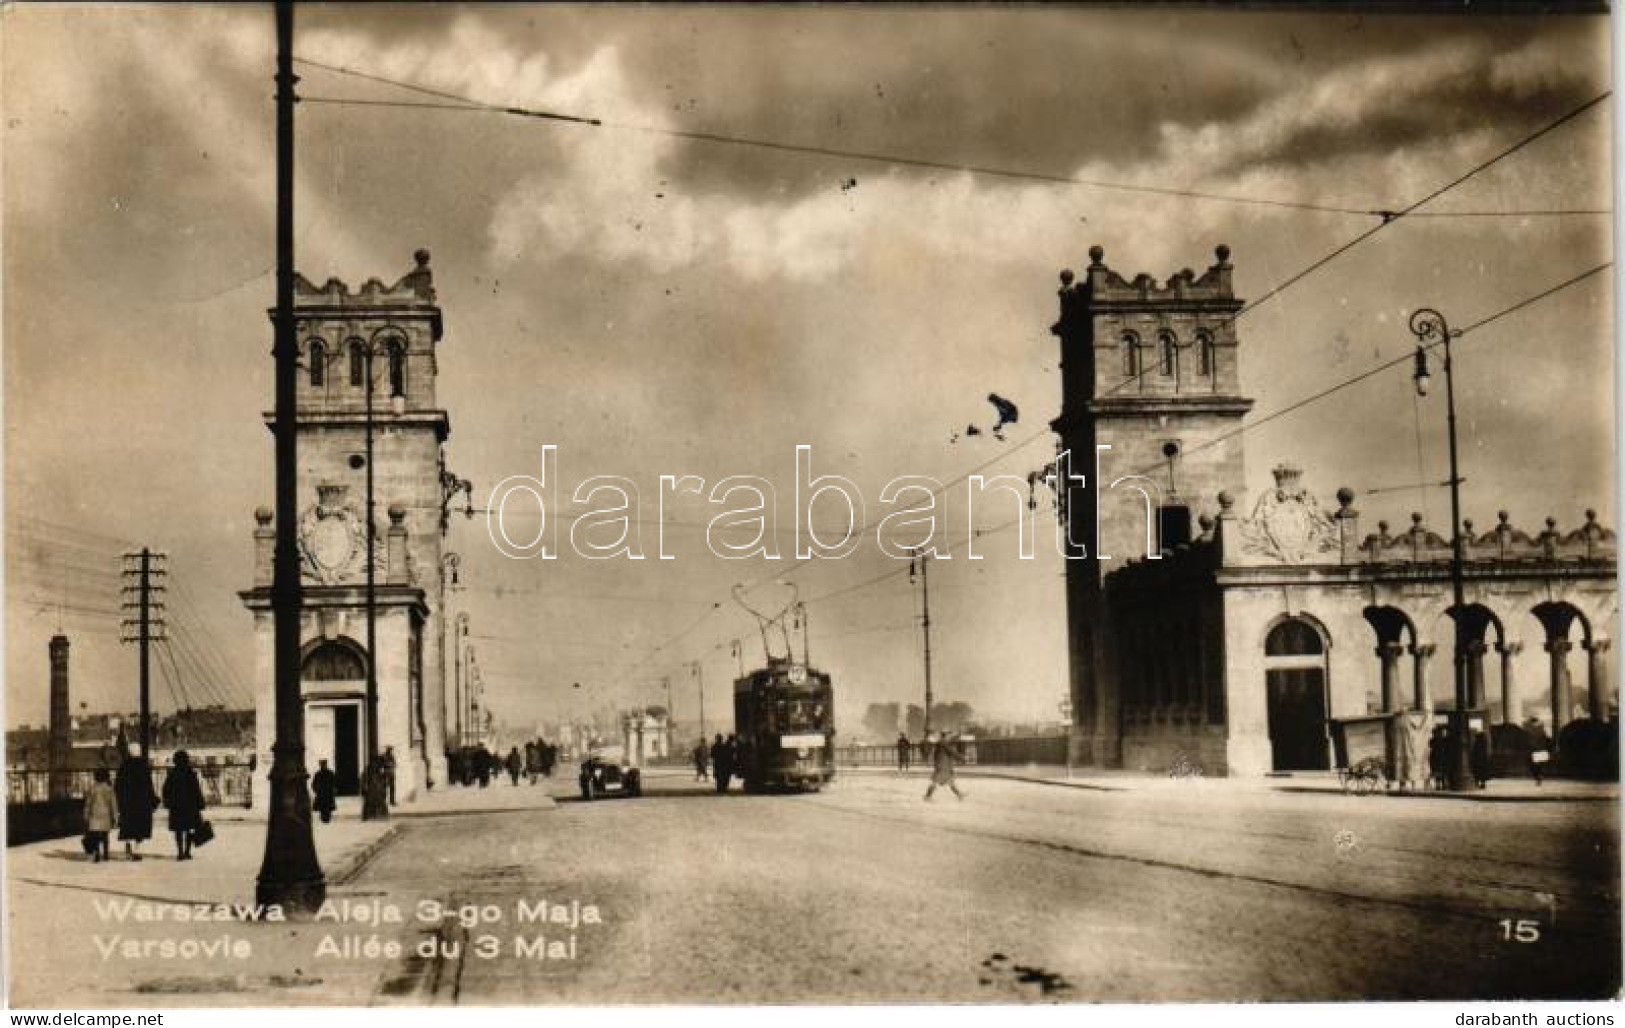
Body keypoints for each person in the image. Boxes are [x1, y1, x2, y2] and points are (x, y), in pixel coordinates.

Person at [162, 750, 206, 861]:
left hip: (176, 806)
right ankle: (187, 851)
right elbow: (196, 790)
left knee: (178, 830)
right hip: (190, 806)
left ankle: (180, 852)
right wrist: (200, 803)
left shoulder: (172, 774)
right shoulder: (190, 773)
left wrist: (167, 802)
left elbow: (165, 789)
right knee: (190, 829)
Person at [114, 754, 157, 861]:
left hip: (127, 802)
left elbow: (118, 786)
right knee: (140, 828)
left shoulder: (124, 767)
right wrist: (152, 800)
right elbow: (149, 786)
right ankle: (136, 850)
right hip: (142, 803)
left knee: (128, 827)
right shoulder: (144, 768)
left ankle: (129, 845)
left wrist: (119, 801)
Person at [84, 767, 118, 863]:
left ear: (96, 777)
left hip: (94, 815)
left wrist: (86, 815)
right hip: (105, 815)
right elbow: (113, 804)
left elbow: (88, 804)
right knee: (105, 836)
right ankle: (106, 854)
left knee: (95, 836)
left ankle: (97, 853)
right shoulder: (109, 789)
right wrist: (115, 817)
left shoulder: (92, 789)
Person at [924, 731, 967, 801]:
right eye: (949, 735)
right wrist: (962, 758)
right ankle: (927, 796)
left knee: (949, 781)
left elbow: (937, 755)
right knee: (936, 781)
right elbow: (952, 752)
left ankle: (959, 795)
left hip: (943, 765)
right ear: (946, 736)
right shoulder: (943, 743)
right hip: (943, 765)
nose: (949, 737)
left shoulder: (941, 743)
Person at [1525, 715, 1552, 785]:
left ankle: (1538, 777)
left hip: (1535, 750)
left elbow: (1528, 740)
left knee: (1534, 765)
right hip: (1542, 749)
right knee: (1539, 765)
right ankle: (1539, 776)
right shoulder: (1542, 728)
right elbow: (1547, 738)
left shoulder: (1530, 729)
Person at [311, 759, 338, 823]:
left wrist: (334, 789)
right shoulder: (318, 774)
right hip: (321, 793)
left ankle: (327, 818)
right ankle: (323, 818)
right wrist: (316, 790)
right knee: (322, 807)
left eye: (324, 764)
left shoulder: (330, 773)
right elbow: (313, 784)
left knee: (328, 806)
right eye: (322, 765)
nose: (323, 766)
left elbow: (334, 782)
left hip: (328, 793)